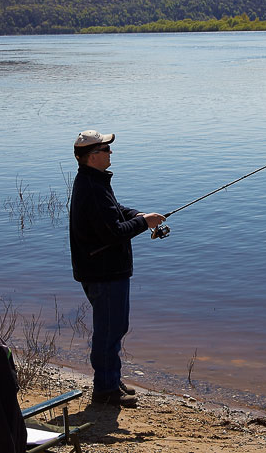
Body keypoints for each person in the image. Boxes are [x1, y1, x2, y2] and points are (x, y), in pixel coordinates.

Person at [69, 130, 166, 407]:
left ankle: (110, 379)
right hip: (104, 272)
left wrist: (137, 214)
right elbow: (113, 232)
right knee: (110, 330)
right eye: (107, 150)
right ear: (93, 156)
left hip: (102, 270)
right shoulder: (91, 186)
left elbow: (114, 211)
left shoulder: (94, 182)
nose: (111, 154)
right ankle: (106, 390)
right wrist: (143, 224)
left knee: (113, 328)